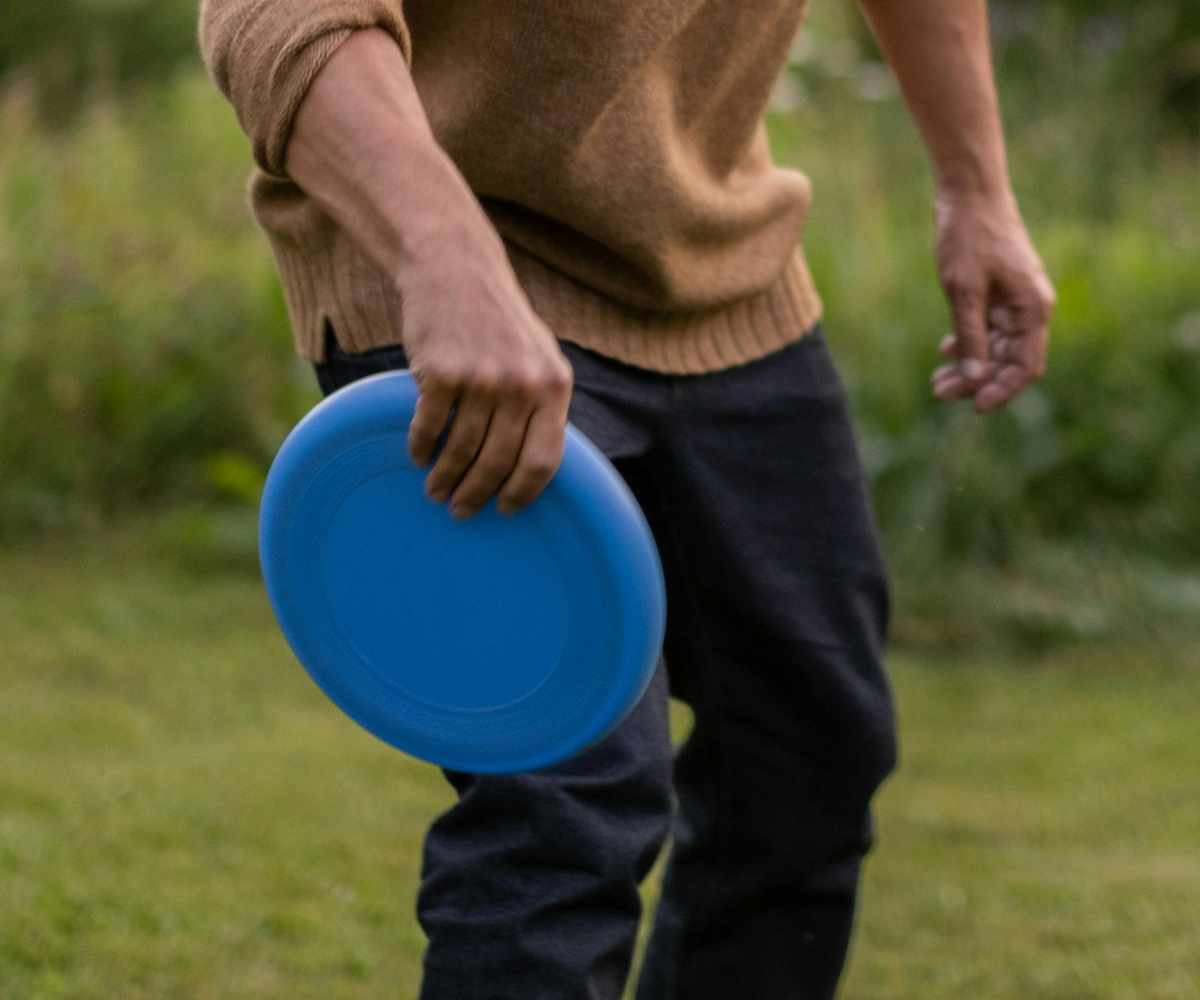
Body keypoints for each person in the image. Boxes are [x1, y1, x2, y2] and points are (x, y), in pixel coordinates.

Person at [198, 1, 1055, 996]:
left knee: (807, 754)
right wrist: (444, 259)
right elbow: (275, 17)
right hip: (449, 259)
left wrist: (977, 189)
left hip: (718, 265)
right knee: (561, 798)